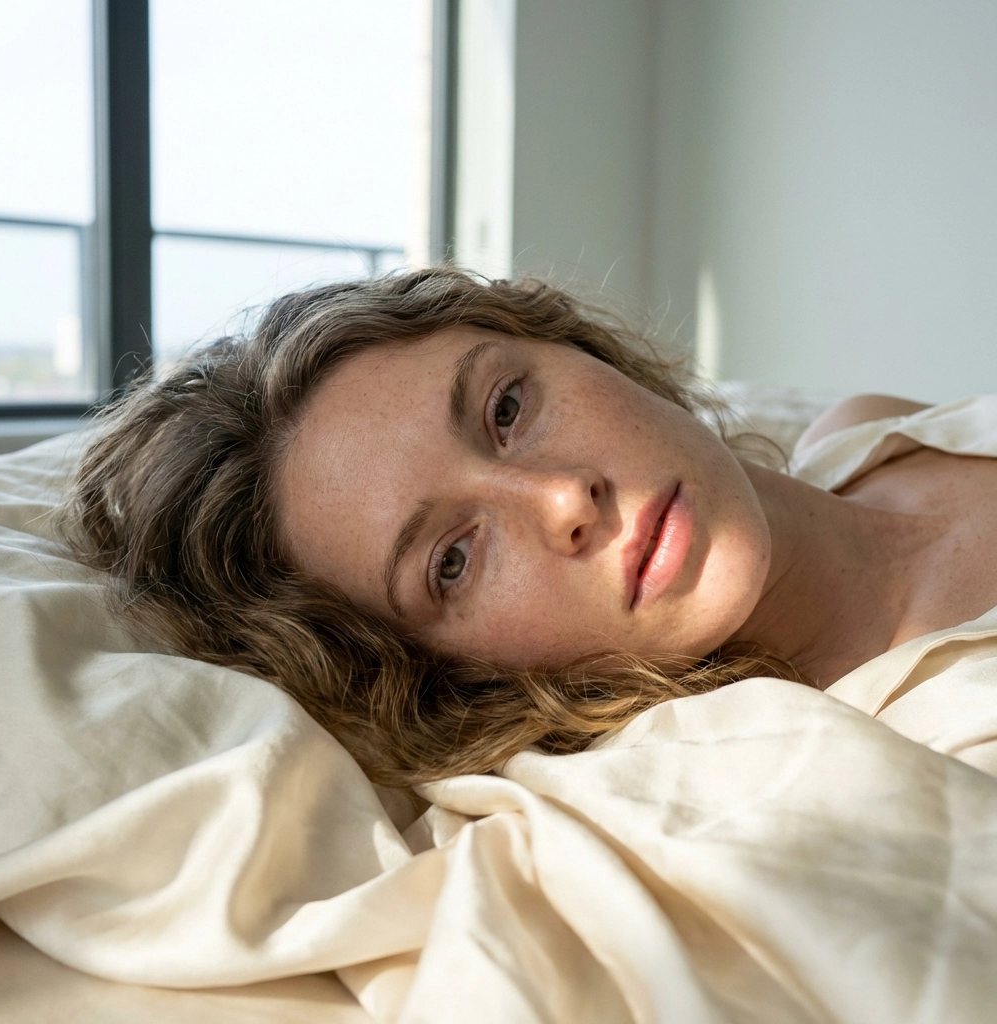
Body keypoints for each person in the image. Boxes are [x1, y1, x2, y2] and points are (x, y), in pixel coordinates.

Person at [67, 267, 997, 786]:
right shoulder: (906, 759)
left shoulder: (868, 431)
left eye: (507, 407)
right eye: (454, 561)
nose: (562, 501)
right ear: (450, 679)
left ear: (578, 348)